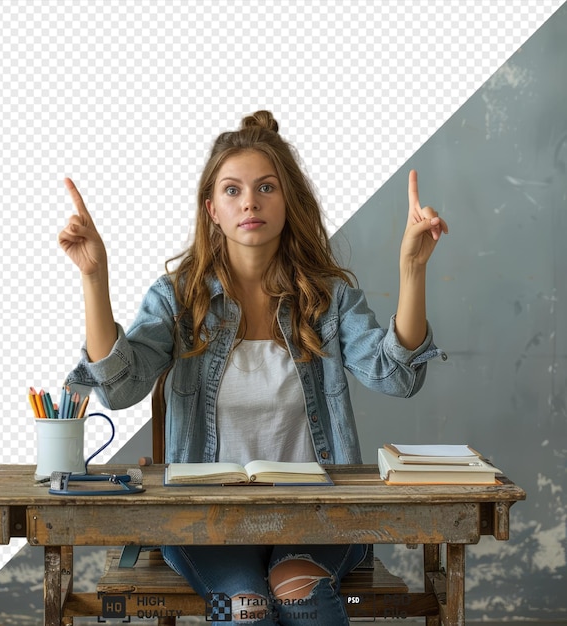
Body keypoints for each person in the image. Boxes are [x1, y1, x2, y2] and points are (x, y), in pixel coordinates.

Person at [59, 110, 447, 625]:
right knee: (246, 606)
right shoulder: (179, 300)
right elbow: (122, 386)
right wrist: (94, 276)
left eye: (266, 187)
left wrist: (412, 269)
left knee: (299, 592)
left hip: (318, 518)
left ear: (288, 202)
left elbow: (396, 376)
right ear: (212, 209)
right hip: (205, 520)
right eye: (233, 190)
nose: (250, 202)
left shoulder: (328, 300)